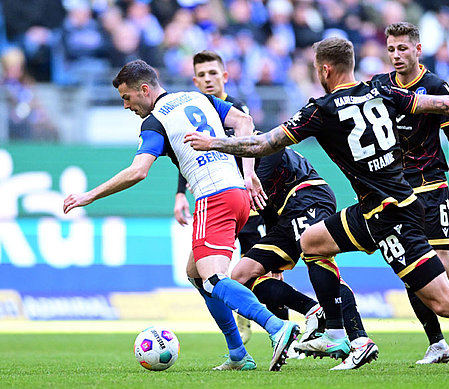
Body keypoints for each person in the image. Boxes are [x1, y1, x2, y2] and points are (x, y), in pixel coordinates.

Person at [184, 37, 449, 373]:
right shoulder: (380, 91)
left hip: (393, 216)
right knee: (313, 241)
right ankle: (336, 333)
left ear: (324, 69)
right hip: (374, 209)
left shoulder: (322, 109)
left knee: (445, 302)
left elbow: (262, 144)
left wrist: (214, 142)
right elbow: (443, 103)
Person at [63, 59, 299, 372]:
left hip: (214, 197)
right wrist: (247, 173)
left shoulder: (156, 120)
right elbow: (244, 121)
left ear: (144, 90)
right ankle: (239, 354)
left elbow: (138, 171)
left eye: (127, 97)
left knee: (214, 279)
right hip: (239, 196)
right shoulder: (198, 98)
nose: (125, 105)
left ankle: (277, 328)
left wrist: (89, 196)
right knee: (197, 274)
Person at [176, 51, 378, 369]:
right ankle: (309, 314)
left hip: (309, 198)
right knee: (242, 274)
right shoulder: (229, 166)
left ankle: (356, 337)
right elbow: (266, 207)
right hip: (286, 214)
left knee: (320, 258)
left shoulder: (256, 150)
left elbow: (265, 164)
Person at [371, 22, 449, 364]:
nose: (396, 55)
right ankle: (437, 343)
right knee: (411, 267)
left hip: (431, 184)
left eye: (403, 49)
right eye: (391, 49)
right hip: (396, 189)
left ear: (417, 50)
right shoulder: (380, 86)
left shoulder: (435, 86)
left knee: (443, 263)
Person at [172, 50, 268, 345]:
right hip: (218, 196)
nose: (207, 79)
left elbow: (251, 144)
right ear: (194, 80)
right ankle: (250, 329)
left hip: (243, 195)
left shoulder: (234, 110)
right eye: (201, 75)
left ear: (224, 76)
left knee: (262, 268)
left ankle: (277, 326)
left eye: (212, 73)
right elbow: (189, 152)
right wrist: (179, 192)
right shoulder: (195, 110)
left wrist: (249, 177)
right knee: (211, 272)